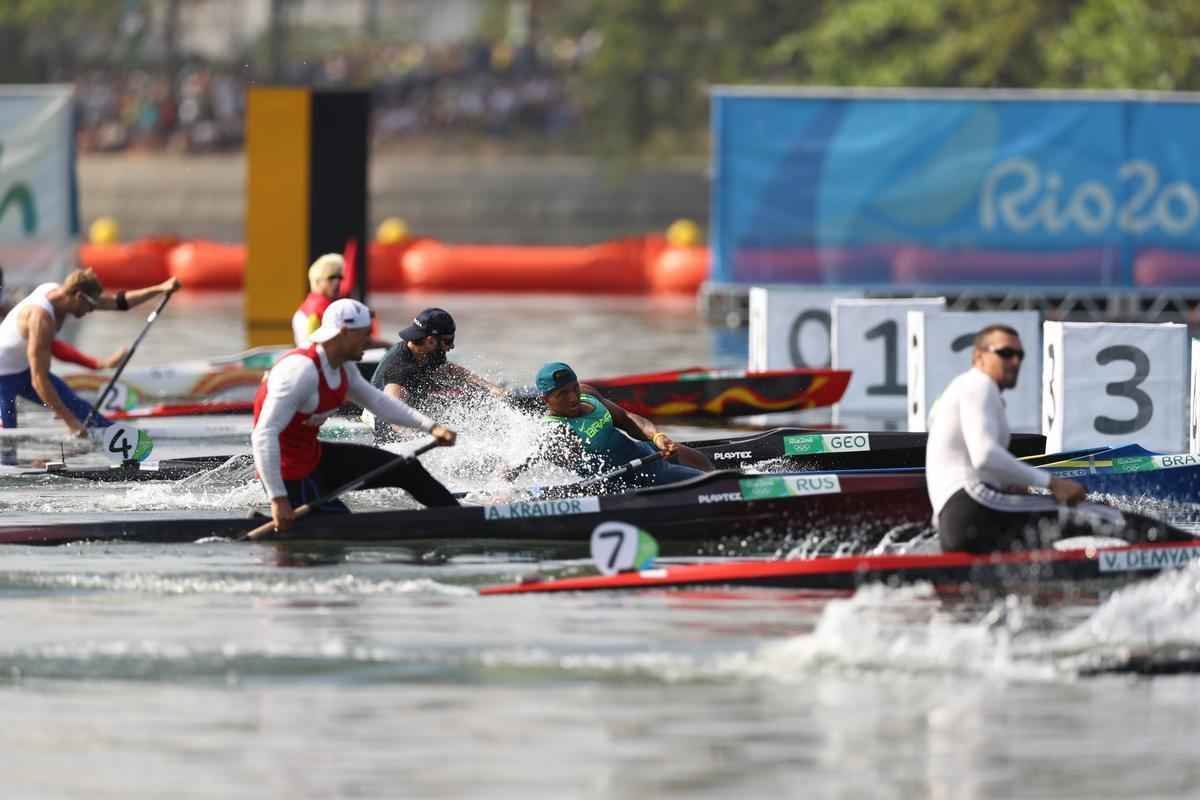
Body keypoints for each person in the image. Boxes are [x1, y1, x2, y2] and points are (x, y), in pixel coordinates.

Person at [926, 324, 1172, 553]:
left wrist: (1018, 485)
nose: (1015, 361)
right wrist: (1053, 484)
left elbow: (966, 459)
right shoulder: (979, 384)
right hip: (974, 507)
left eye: (1020, 355)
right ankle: (1188, 552)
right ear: (979, 357)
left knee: (1042, 540)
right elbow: (985, 456)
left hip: (953, 523)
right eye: (1005, 353)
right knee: (1106, 516)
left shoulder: (957, 391)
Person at [252, 298, 460, 533]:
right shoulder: (300, 372)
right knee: (345, 527)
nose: (370, 341)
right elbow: (263, 434)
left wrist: (431, 427)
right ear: (343, 333)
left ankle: (464, 520)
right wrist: (278, 499)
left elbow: (379, 402)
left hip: (313, 457)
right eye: (364, 334)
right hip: (286, 471)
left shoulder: (342, 366)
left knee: (406, 469)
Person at [0, 268, 179, 434]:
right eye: (91, 306)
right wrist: (70, 422)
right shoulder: (41, 320)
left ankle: (126, 446)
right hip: (4, 379)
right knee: (8, 437)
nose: (91, 311)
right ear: (79, 296)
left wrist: (160, 289)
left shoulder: (59, 292)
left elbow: (119, 302)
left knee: (86, 416)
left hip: (21, 372)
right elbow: (39, 380)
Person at [505, 361, 714, 489]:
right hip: (637, 478)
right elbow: (528, 458)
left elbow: (627, 418)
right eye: (562, 394)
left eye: (573, 388)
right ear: (546, 400)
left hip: (649, 453)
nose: (572, 397)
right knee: (710, 484)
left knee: (706, 465)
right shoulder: (555, 431)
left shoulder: (587, 393)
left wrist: (657, 436)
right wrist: (503, 484)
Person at [368, 307, 510, 441]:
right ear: (430, 340)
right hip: (391, 434)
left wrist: (490, 387)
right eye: (448, 341)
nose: (451, 347)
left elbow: (449, 370)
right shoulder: (399, 365)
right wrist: (418, 439)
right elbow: (391, 410)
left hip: (413, 415)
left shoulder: (426, 351)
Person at [292, 254, 344, 347]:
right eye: (331, 278)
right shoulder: (318, 308)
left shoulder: (309, 305)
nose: (337, 282)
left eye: (340, 277)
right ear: (317, 281)